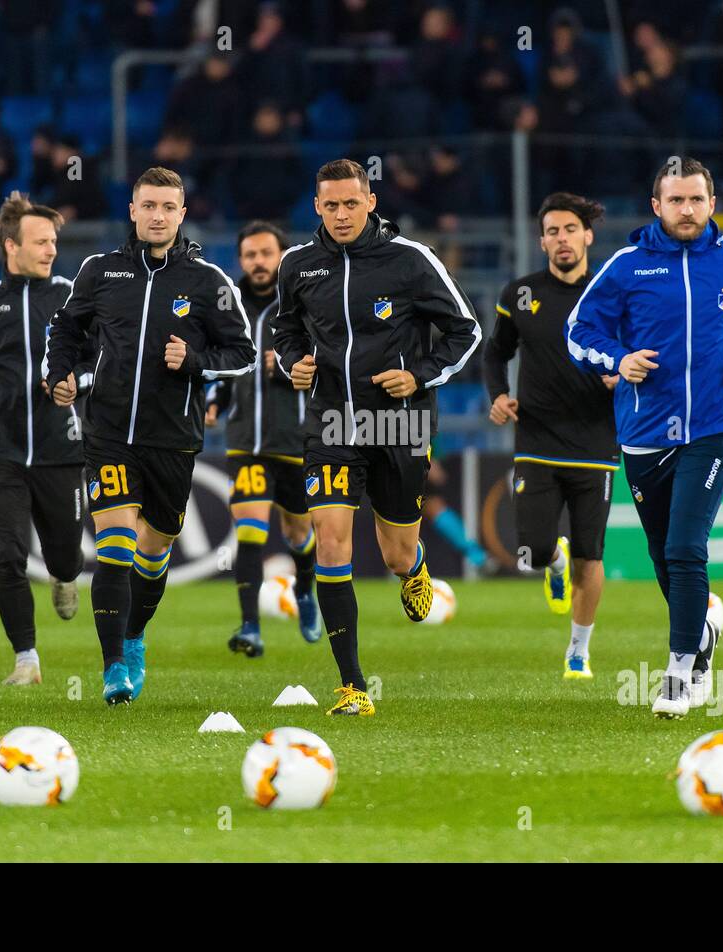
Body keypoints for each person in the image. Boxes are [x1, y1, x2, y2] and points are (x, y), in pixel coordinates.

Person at [271, 158, 481, 716]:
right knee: (332, 538)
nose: (341, 214)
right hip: (333, 423)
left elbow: (467, 330)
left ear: (371, 203)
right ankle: (352, 686)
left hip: (401, 424)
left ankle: (414, 570)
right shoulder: (298, 264)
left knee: (395, 551)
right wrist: (293, 360)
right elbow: (284, 327)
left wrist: (420, 373)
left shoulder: (411, 260)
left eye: (350, 203)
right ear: (317, 207)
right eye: (330, 205)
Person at [566, 156, 723, 718]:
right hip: (645, 430)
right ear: (657, 206)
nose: (687, 210)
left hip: (716, 423)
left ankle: (681, 671)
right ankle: (702, 629)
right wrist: (617, 358)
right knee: (661, 553)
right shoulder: (627, 266)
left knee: (684, 547)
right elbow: (579, 331)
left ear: (711, 203)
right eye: (676, 200)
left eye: (696, 200)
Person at [43, 166, 255, 705]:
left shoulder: (208, 282)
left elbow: (243, 354)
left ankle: (135, 635)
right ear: (133, 211)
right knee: (114, 546)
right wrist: (60, 372)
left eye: (167, 207)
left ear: (182, 215)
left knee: (154, 550)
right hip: (108, 432)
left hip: (173, 440)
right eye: (148, 206)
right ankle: (114, 665)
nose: (157, 216)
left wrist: (196, 361)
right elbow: (65, 329)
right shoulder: (101, 271)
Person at [0, 193, 93, 687]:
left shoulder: (73, 299)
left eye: (54, 241)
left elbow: (100, 358)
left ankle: (64, 575)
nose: (51, 249)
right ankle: (26, 658)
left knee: (65, 555)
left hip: (61, 451)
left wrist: (80, 381)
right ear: (12, 246)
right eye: (41, 241)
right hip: (2, 453)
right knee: (7, 554)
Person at [485, 191, 619, 680]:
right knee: (534, 552)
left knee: (592, 553)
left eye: (570, 230)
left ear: (588, 235)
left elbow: (639, 356)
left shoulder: (611, 293)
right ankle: (552, 564)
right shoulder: (519, 294)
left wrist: (621, 375)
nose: (561, 239)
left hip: (596, 442)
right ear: (541, 241)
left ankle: (578, 651)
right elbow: (494, 353)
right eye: (552, 232)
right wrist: (498, 395)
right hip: (537, 440)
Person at [205, 220, 321, 656]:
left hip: (296, 440)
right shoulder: (226, 305)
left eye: (265, 254)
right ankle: (250, 626)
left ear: (281, 256)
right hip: (245, 442)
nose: (258, 262)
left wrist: (293, 365)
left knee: (298, 533)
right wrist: (214, 399)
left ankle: (305, 591)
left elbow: (331, 359)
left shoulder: (302, 304)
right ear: (241, 260)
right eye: (250, 255)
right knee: (250, 530)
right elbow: (218, 364)